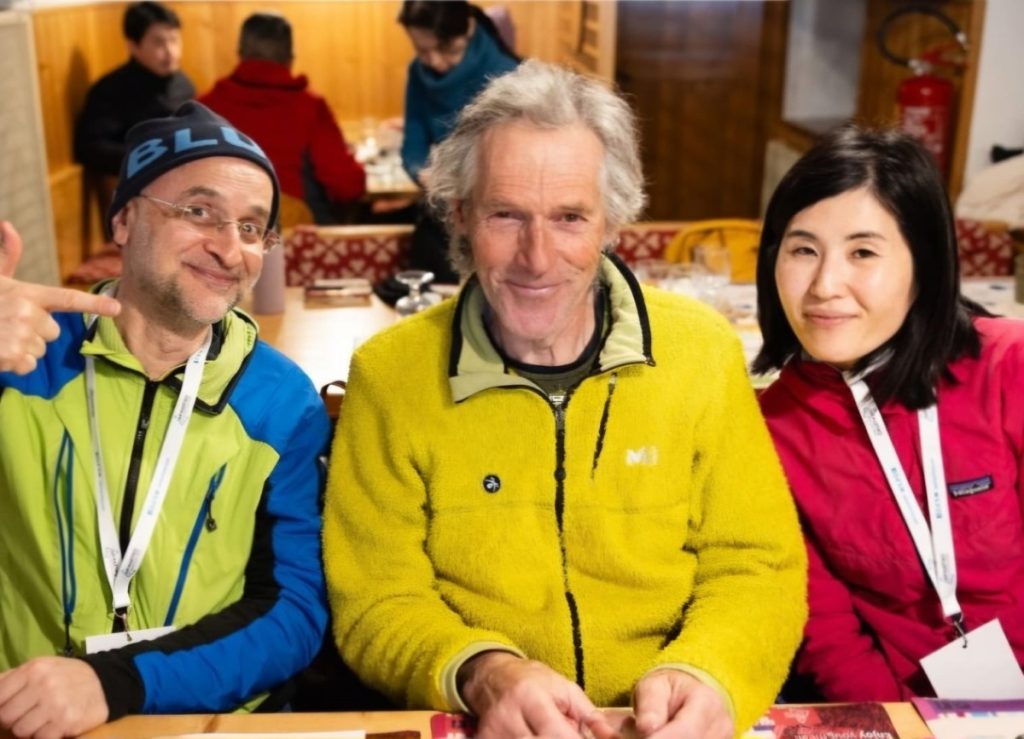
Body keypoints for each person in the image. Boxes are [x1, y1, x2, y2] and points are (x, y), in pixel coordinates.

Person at [324, 60, 807, 739]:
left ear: (614, 221)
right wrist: (485, 671)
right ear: (459, 216)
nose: (538, 256)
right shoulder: (389, 374)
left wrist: (709, 670)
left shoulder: (704, 352)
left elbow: (759, 565)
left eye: (570, 217)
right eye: (506, 215)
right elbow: (374, 597)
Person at [0, 102, 330, 738]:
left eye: (253, 226)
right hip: (22, 716)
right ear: (123, 220)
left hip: (207, 720)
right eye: (197, 211)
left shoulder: (283, 403)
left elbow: (293, 612)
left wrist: (115, 681)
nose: (228, 248)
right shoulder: (24, 357)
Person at [755, 124, 1024, 700]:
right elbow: (826, 632)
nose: (826, 285)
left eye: (863, 253)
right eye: (803, 250)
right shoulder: (768, 427)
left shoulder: (1008, 367)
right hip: (897, 709)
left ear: (923, 264)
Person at [200, 12, 366, 225]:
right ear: (290, 58)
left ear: (240, 54)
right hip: (295, 242)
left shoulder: (206, 107)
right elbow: (348, 185)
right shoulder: (310, 107)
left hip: (224, 237)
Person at [397, 0, 519, 284]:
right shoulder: (419, 72)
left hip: (494, 218)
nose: (435, 62)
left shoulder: (506, 76)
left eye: (447, 50)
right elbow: (413, 143)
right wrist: (422, 172)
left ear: (469, 29)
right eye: (422, 50)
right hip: (441, 212)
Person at [75, 1, 195, 180]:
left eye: (174, 40)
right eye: (159, 43)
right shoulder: (110, 90)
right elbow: (92, 148)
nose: (171, 52)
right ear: (133, 46)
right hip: (137, 183)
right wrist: (153, 157)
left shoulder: (183, 83)